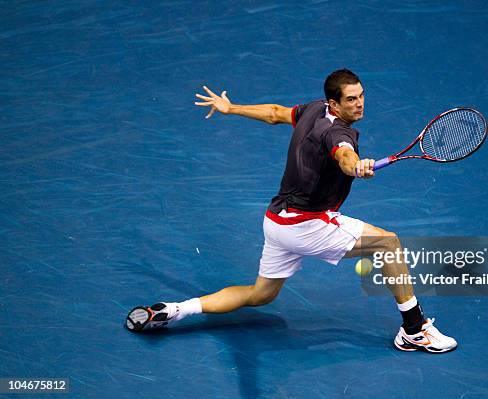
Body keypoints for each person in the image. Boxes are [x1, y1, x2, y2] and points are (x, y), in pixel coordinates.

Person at [125, 69, 457, 353]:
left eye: (361, 96)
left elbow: (274, 112)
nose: (360, 104)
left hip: (276, 221)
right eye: (351, 100)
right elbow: (344, 157)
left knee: (260, 295)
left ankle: (174, 310)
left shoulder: (313, 110)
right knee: (389, 243)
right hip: (305, 224)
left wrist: (231, 108)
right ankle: (413, 330)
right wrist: (356, 167)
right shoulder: (339, 133)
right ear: (334, 103)